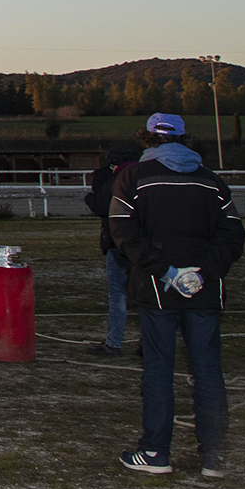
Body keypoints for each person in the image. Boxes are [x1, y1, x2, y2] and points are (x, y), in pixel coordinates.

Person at [110, 112, 244, 479]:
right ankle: (214, 456)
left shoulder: (133, 177)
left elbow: (123, 232)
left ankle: (155, 451)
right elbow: (233, 235)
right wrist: (203, 273)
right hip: (204, 292)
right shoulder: (211, 181)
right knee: (207, 372)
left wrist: (167, 273)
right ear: (185, 139)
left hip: (157, 291)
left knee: (158, 370)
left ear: (148, 138)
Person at [83, 144, 141, 356]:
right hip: (145, 244)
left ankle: (114, 343)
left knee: (118, 295)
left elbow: (100, 206)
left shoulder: (114, 180)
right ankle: (149, 342)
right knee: (146, 293)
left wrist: (89, 198)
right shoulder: (147, 178)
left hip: (118, 244)